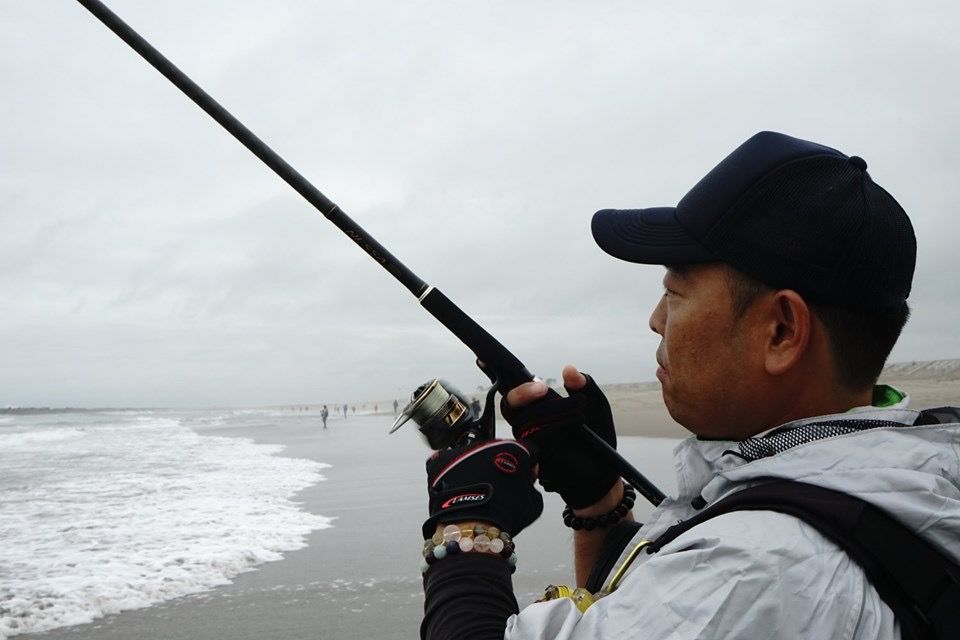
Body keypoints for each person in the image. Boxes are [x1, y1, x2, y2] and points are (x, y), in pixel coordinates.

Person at [418, 132, 960, 639]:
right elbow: (624, 611)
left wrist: (467, 526)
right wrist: (597, 501)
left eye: (675, 293)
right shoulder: (899, 478)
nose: (656, 319)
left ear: (781, 331)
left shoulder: (761, 568)